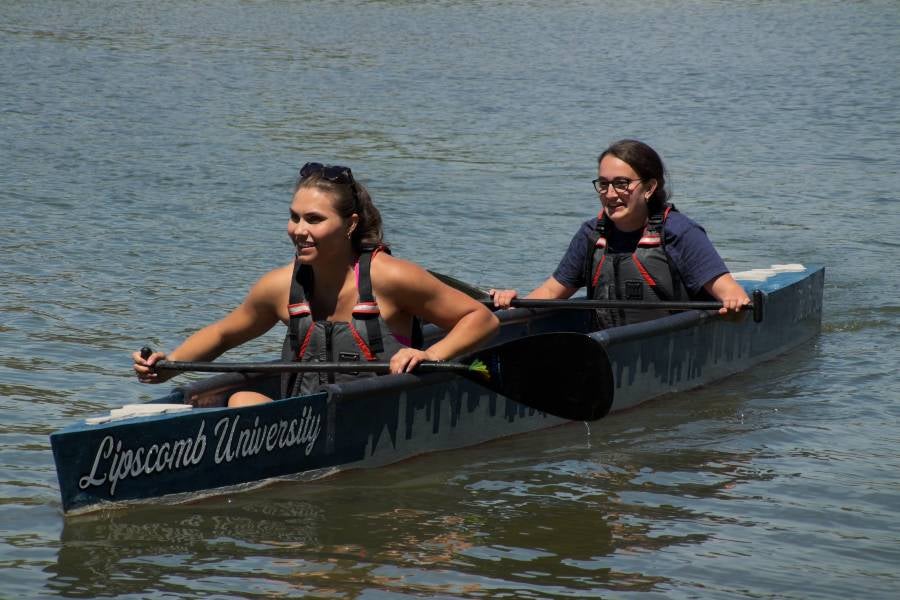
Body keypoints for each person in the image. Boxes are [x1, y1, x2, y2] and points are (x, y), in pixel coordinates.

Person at [133, 162, 499, 407]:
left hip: (380, 413)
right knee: (242, 400)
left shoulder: (391, 277)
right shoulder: (279, 287)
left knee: (242, 402)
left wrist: (430, 355)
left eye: (314, 219)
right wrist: (170, 365)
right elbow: (223, 336)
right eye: (294, 218)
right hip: (303, 421)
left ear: (351, 224)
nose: (299, 231)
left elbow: (480, 318)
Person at [490, 139, 749, 327]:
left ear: (649, 188)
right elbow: (550, 293)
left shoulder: (680, 233)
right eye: (603, 184)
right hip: (609, 347)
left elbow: (733, 295)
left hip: (672, 347)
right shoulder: (591, 234)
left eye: (621, 184)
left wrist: (734, 305)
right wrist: (512, 303)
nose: (610, 194)